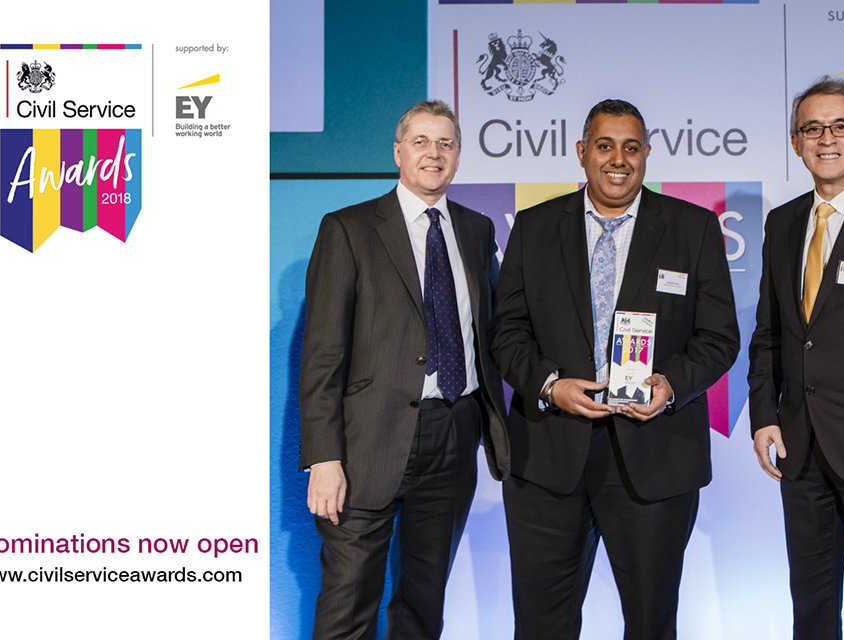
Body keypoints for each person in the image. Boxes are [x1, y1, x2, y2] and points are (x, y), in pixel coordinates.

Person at [491, 98, 739, 639]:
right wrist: (549, 386)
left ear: (647, 155)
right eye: (605, 146)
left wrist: (671, 385)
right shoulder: (533, 229)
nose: (618, 159)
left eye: (631, 148)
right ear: (583, 153)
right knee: (541, 625)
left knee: (651, 623)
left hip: (654, 459)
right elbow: (505, 332)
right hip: (548, 459)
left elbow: (719, 338)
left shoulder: (693, 228)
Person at [298, 100, 510, 640]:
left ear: (458, 156)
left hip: (453, 432)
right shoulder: (348, 229)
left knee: (423, 598)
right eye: (421, 142)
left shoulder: (478, 230)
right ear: (398, 152)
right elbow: (323, 353)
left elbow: (491, 334)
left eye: (445, 143)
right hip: (366, 441)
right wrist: (323, 457)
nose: (433, 154)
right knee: (348, 601)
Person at [748, 76, 844, 640]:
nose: (826, 138)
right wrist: (763, 415)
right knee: (812, 609)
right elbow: (770, 332)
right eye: (812, 128)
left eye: (840, 126)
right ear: (795, 141)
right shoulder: (782, 223)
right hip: (801, 455)